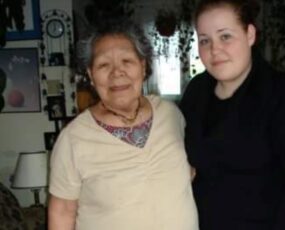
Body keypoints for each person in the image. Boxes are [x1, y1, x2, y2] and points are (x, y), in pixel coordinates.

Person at [179, 0, 285, 229]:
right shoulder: (196, 92)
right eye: (205, 40)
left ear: (250, 35)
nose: (214, 50)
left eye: (225, 36)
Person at [48, 20, 198, 230]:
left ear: (143, 67)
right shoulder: (73, 138)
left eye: (127, 61)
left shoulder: (171, 114)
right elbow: (62, 211)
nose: (117, 72)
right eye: (103, 65)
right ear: (91, 75)